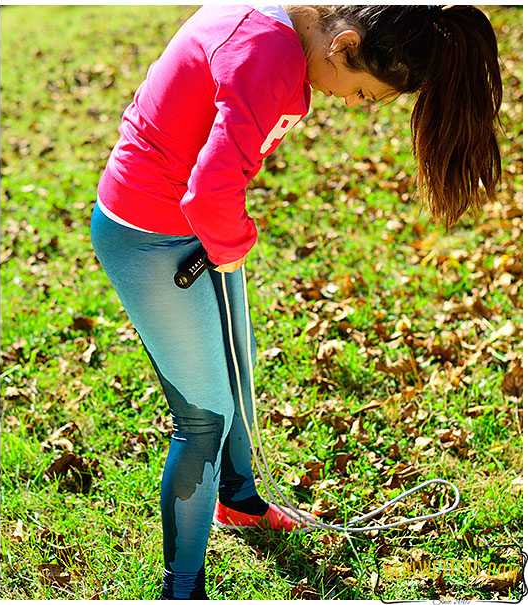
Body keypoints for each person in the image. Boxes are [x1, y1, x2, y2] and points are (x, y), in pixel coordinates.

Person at [90, 5, 502, 600]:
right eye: (362, 93)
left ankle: (240, 502)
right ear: (345, 46)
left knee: (238, 374)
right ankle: (182, 587)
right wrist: (232, 240)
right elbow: (209, 195)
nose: (354, 104)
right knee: (204, 417)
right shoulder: (270, 58)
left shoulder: (281, 27)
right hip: (150, 233)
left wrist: (226, 238)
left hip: (187, 227)